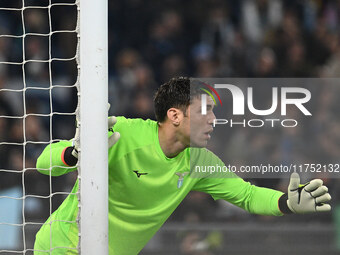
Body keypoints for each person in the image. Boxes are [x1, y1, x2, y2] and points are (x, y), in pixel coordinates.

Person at [34, 77, 331, 254]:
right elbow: (43, 164)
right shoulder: (124, 133)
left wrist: (286, 202)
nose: (213, 120)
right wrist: (75, 152)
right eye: (205, 111)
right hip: (61, 247)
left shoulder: (200, 161)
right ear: (175, 116)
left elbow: (247, 195)